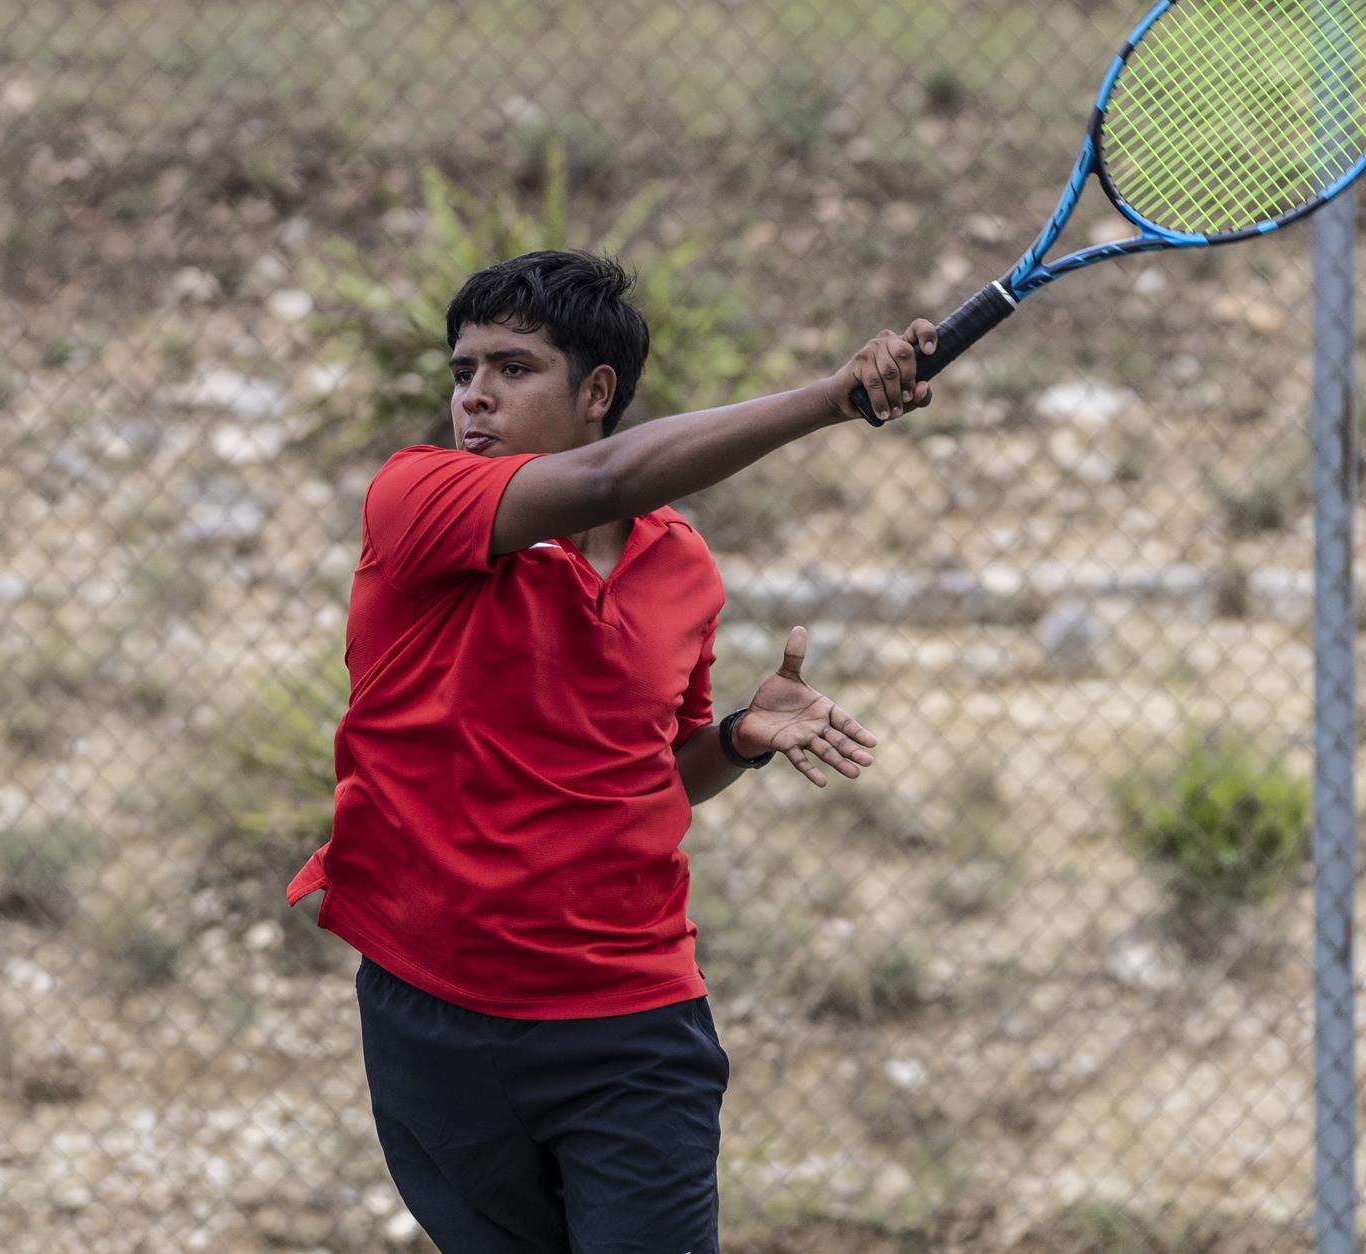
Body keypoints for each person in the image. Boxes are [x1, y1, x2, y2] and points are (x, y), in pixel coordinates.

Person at [286, 249, 937, 1253]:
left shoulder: (678, 567)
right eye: (463, 372)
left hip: (627, 1018)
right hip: (433, 1011)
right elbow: (606, 474)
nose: (476, 398)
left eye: (512, 368)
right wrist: (828, 398)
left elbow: (655, 774)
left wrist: (736, 740)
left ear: (596, 391)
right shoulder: (416, 500)